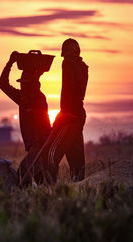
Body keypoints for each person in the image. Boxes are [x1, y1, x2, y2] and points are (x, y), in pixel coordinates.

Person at [0, 51, 51, 186]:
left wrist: (37, 74)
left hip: (39, 145)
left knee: (23, 173)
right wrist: (9, 63)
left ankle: (23, 201)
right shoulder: (22, 98)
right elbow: (2, 84)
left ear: (34, 84)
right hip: (33, 146)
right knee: (41, 179)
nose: (23, 85)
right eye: (23, 83)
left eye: (26, 83)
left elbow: (43, 127)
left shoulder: (39, 99)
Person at [41, 38, 88, 183]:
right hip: (78, 115)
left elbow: (70, 93)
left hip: (70, 116)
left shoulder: (68, 63)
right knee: (76, 158)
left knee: (49, 154)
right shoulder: (83, 67)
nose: (64, 56)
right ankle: (79, 188)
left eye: (66, 53)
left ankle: (49, 188)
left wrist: (62, 116)